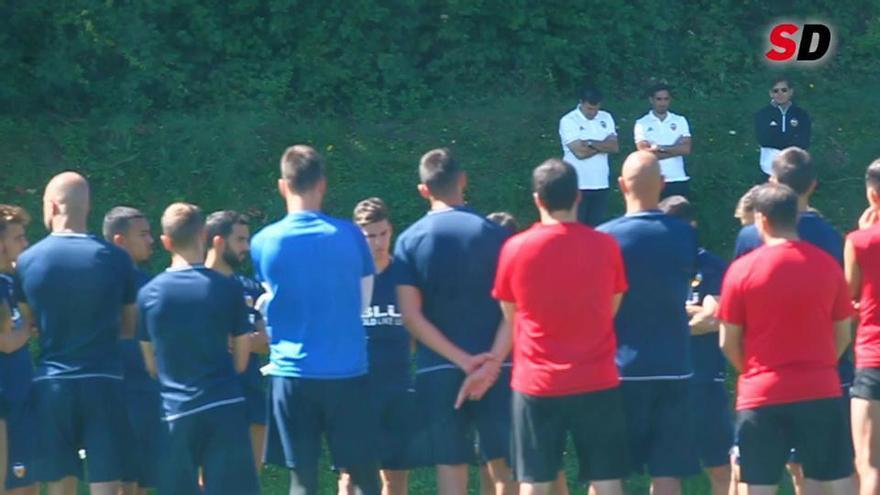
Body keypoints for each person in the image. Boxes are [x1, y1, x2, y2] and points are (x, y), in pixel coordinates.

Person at [493, 158, 630, 495]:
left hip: (537, 380)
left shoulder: (514, 248)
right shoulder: (605, 245)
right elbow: (612, 305)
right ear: (579, 196)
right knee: (607, 478)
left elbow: (511, 314)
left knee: (535, 480)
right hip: (596, 376)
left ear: (537, 199)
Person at [251, 145, 381, 495]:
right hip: (346, 371)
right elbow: (363, 303)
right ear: (322, 184)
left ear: (282, 185)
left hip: (291, 374)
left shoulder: (263, 242)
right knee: (365, 476)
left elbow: (268, 301)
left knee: (303, 479)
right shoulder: (351, 235)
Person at [717, 182, 854, 495]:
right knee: (834, 477)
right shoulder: (826, 265)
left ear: (762, 220)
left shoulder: (741, 271)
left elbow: (728, 339)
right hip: (819, 387)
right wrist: (821, 365)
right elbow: (843, 330)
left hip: (762, 392)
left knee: (759, 484)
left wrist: (752, 371)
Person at [393, 148, 514, 495]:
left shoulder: (409, 241)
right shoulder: (494, 234)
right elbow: (514, 310)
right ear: (463, 180)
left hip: (438, 368)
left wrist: (462, 361)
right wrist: (490, 363)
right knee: (503, 468)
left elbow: (411, 317)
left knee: (451, 465)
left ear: (423, 190)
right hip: (497, 365)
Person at [14, 172, 136, 495]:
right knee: (107, 484)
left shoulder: (27, 261)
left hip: (53, 382)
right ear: (87, 207)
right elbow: (128, 326)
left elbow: (27, 326)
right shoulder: (117, 260)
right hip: (104, 379)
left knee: (58, 485)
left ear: (52, 206)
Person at [597, 151, 700, 495]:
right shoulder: (684, 235)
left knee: (608, 471)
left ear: (621, 185)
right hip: (672, 364)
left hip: (617, 366)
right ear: (663, 184)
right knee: (667, 473)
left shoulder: (603, 238)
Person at [138, 203, 258, 495]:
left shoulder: (149, 294)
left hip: (177, 412)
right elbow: (242, 361)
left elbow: (151, 365)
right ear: (203, 234)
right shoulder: (227, 288)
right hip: (224, 405)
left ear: (166, 241)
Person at [337, 197, 418, 495]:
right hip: (355, 389)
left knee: (395, 479)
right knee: (349, 477)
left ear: (391, 231)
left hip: (397, 388)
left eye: (383, 233)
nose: (378, 242)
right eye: (370, 236)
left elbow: (415, 330)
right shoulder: (346, 277)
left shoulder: (405, 275)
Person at [658, 196, 733, 495]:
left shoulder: (711, 265)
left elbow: (713, 319)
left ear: (693, 227)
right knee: (665, 471)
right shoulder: (651, 267)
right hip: (663, 381)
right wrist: (692, 312)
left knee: (720, 467)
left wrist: (670, 320)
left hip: (705, 379)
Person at [204, 210, 269, 473]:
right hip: (210, 389)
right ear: (218, 241)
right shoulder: (193, 283)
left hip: (249, 388)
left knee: (249, 478)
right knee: (210, 475)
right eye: (240, 240)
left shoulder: (250, 287)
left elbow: (265, 342)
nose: (246, 247)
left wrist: (243, 342)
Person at [102, 206, 160, 495]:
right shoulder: (99, 282)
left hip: (147, 391)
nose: (151, 241)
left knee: (143, 481)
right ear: (119, 240)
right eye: (143, 234)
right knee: (119, 481)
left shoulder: (151, 285)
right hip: (115, 390)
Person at [844, 158, 880, 495]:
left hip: (874, 356)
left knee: (870, 464)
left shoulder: (860, 241)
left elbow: (847, 297)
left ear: (872, 195)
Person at [0, 205, 36, 495]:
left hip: (20, 398)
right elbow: (6, 342)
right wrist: (29, 326)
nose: (26, 244)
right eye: (19, 238)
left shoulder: (13, 282)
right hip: (4, 401)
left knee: (27, 485)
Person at [559, 87, 619, 226]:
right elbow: (580, 153)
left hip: (601, 183)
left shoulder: (606, 117)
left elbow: (614, 147)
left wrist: (590, 143)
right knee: (576, 229)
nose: (593, 113)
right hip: (577, 183)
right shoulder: (569, 120)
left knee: (596, 229)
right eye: (589, 109)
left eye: (596, 109)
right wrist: (603, 145)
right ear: (581, 103)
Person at [633, 83, 692, 199]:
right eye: (659, 99)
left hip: (678, 179)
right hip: (653, 180)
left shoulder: (680, 120)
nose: (663, 103)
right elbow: (645, 154)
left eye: (666, 99)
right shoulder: (642, 123)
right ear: (651, 100)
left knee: (678, 217)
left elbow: (686, 149)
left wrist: (659, 148)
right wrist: (675, 148)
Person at [755, 77, 811, 177]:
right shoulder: (762, 114)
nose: (780, 94)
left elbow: (804, 140)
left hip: (794, 165)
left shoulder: (801, 114)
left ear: (791, 92)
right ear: (770, 93)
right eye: (775, 91)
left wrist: (785, 144)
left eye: (784, 90)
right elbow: (763, 139)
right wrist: (789, 140)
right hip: (769, 167)